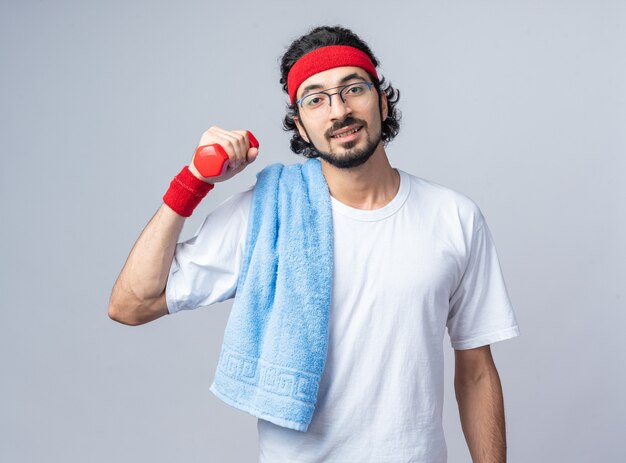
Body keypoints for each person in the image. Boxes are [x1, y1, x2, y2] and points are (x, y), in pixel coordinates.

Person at [108, 25, 520, 463]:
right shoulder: (268, 216)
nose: (339, 110)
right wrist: (193, 181)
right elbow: (132, 304)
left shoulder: (453, 216)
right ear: (300, 126)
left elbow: (476, 374)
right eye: (315, 99)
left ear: (381, 100)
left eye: (353, 89)